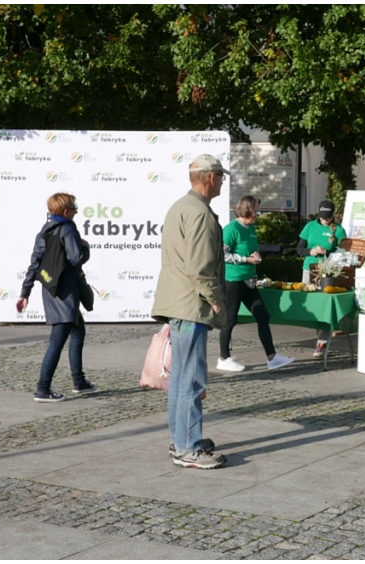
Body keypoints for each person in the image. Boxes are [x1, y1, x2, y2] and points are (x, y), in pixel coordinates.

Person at [151, 154, 228, 469]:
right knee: (192, 379)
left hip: (179, 302)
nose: (222, 181)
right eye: (221, 176)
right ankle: (189, 447)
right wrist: (215, 299)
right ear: (209, 177)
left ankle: (180, 439)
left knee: (182, 378)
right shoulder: (199, 213)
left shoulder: (181, 207)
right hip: (192, 304)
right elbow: (200, 266)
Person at [17, 192, 97, 403]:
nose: (75, 213)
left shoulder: (44, 231)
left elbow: (34, 264)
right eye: (74, 210)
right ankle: (43, 389)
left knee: (78, 331)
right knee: (57, 340)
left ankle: (79, 381)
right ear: (65, 211)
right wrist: (85, 247)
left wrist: (24, 293)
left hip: (50, 289)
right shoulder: (68, 228)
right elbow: (75, 258)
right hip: (66, 292)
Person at [216, 196, 296, 373]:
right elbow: (222, 254)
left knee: (262, 315)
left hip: (249, 280)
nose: (258, 214)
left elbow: (251, 249)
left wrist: (256, 255)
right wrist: (246, 259)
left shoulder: (251, 228)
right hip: (233, 280)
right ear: (247, 210)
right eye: (257, 211)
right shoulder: (231, 229)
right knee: (230, 319)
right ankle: (223, 357)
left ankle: (272, 357)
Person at [296, 199, 346, 358]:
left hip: (328, 272)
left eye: (327, 217)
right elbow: (299, 249)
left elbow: (344, 254)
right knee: (312, 306)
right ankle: (322, 336)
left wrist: (327, 252)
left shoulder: (338, 230)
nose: (324, 219)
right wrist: (310, 251)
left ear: (333, 215)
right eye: (322, 216)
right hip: (309, 270)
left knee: (324, 306)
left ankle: (322, 342)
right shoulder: (310, 226)